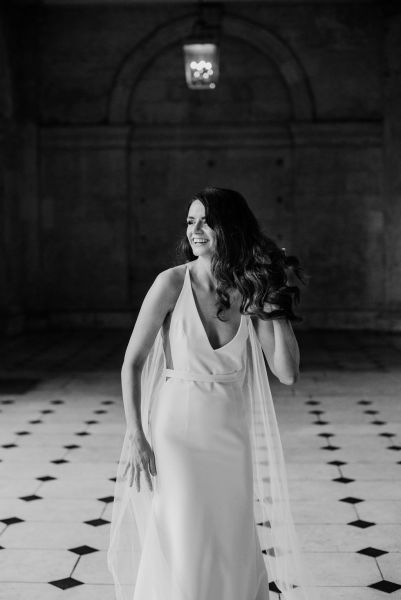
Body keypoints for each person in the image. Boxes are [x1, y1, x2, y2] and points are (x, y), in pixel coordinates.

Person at [107, 187, 318, 600]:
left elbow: (287, 373)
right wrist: (136, 435)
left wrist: (275, 302)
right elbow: (132, 362)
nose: (195, 230)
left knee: (231, 532)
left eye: (206, 221)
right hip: (176, 431)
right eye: (190, 221)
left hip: (229, 431)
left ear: (231, 227)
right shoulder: (171, 283)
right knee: (185, 532)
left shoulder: (250, 290)